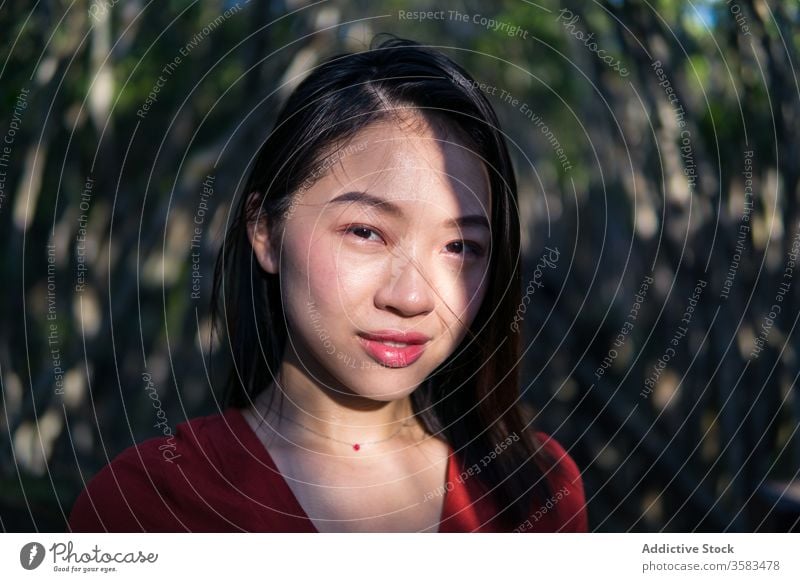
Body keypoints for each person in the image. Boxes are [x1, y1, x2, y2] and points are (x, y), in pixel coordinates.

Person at [69, 35, 588, 533]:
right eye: (365, 232)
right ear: (265, 231)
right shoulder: (149, 506)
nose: (410, 297)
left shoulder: (536, 492)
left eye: (460, 247)